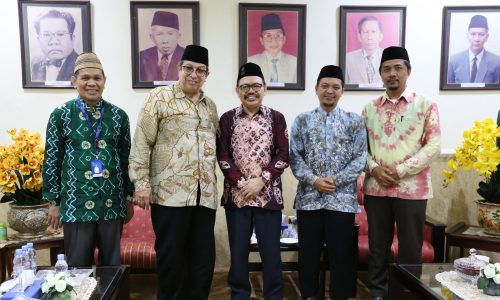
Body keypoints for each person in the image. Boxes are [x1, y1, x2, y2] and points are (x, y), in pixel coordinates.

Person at [129, 45, 218, 300]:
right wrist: (142, 184)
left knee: (203, 261)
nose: (194, 74)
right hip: (170, 196)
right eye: (188, 68)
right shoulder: (159, 98)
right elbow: (142, 143)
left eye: (200, 70)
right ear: (178, 69)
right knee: (171, 259)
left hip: (205, 197)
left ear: (207, 74)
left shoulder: (209, 106)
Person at [362, 46, 441, 300]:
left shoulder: (425, 104)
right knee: (378, 248)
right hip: (376, 188)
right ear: (380, 74)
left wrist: (400, 170)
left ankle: (407, 294)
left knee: (410, 249)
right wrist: (374, 168)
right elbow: (359, 148)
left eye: (398, 68)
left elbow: (434, 145)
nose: (392, 73)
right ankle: (378, 293)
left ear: (408, 71)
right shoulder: (369, 108)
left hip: (412, 189)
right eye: (386, 69)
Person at [42, 52, 134, 267]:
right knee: (77, 267)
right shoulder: (62, 114)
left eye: (97, 78)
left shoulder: (119, 116)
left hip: (112, 202)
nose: (92, 83)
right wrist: (54, 202)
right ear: (74, 82)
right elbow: (51, 159)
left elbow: (126, 160)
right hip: (76, 203)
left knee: (111, 267)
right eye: (85, 78)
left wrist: (129, 197)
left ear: (104, 81)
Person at [290, 65, 367, 300]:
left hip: (341, 202)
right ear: (316, 89)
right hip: (309, 201)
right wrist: (314, 181)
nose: (329, 91)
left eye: (335, 87)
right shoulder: (302, 121)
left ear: (342, 90)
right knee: (309, 258)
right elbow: (295, 156)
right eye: (325, 86)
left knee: (341, 260)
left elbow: (360, 158)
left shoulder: (354, 122)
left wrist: (334, 181)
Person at [217, 62, 290, 300]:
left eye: (256, 85)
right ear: (237, 90)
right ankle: (239, 295)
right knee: (238, 254)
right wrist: (241, 183)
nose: (251, 90)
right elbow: (223, 155)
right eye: (245, 86)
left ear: (265, 88)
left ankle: (274, 296)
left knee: (271, 254)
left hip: (268, 197)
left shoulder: (276, 118)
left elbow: (283, 155)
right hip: (237, 199)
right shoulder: (227, 119)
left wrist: (262, 180)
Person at [447, 14, 500, 84]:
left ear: (487, 37)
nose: (477, 39)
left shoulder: (496, 62)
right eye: (473, 34)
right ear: (468, 35)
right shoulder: (454, 61)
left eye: (481, 34)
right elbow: (449, 91)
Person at [248, 13, 297, 84]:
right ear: (261, 40)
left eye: (278, 35)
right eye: (268, 36)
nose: (273, 40)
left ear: (284, 39)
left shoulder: (294, 63)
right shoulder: (251, 63)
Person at [31, 9, 79, 82]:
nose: (53, 42)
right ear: (38, 39)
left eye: (60, 34)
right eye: (46, 35)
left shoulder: (81, 65)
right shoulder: (34, 64)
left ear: (72, 38)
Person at [139, 11, 185, 82]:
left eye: (170, 34)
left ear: (178, 36)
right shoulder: (141, 57)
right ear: (152, 37)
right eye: (159, 34)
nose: (165, 41)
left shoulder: (187, 57)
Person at [345, 16, 384, 85]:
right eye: (365, 32)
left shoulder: (389, 58)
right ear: (359, 36)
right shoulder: (348, 59)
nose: (370, 37)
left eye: (373, 32)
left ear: (380, 36)